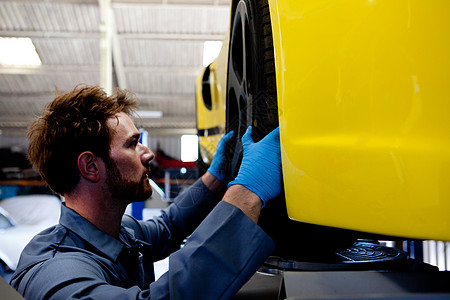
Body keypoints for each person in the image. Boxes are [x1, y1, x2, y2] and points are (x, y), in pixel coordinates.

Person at [10, 85, 282, 299]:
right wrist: (247, 191)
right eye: (132, 145)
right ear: (90, 166)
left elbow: (170, 224)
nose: (149, 153)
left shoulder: (118, 231)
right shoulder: (59, 276)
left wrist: (214, 178)